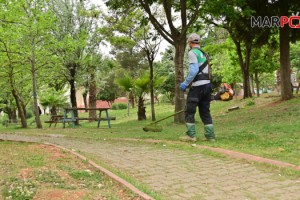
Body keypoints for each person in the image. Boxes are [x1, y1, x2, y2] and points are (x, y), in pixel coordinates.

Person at [179, 33, 215, 142]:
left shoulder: (192, 52)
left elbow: (194, 70)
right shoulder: (204, 53)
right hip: (207, 86)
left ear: (190, 43)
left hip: (197, 87)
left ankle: (191, 136)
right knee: (205, 111)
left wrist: (185, 83)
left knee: (190, 111)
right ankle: (210, 137)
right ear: (199, 42)